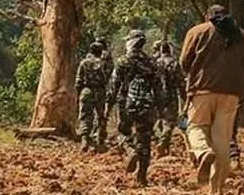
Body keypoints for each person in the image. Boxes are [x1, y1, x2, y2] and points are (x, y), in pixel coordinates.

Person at [180, 5, 244, 195]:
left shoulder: (197, 31)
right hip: (231, 94)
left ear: (208, 17)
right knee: (222, 140)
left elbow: (184, 62)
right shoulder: (241, 35)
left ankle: (203, 152)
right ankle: (217, 190)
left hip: (202, 90)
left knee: (195, 128)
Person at [106, 29, 163, 186]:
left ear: (130, 42)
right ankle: (142, 177)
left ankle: (131, 150)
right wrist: (161, 109)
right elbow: (158, 88)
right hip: (147, 105)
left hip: (127, 105)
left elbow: (113, 86)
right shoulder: (151, 63)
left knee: (123, 133)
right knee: (145, 140)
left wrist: (108, 106)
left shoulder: (123, 61)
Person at [153, 40, 186, 157]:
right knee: (170, 122)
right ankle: (163, 142)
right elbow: (181, 83)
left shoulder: (155, 63)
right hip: (171, 95)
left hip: (157, 95)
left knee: (159, 120)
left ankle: (163, 146)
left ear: (161, 50)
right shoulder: (174, 63)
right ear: (170, 50)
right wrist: (184, 97)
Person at [75, 41, 109, 152]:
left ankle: (84, 139)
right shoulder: (103, 63)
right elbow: (105, 79)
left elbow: (78, 80)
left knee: (85, 116)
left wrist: (79, 93)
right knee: (100, 116)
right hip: (100, 91)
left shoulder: (84, 63)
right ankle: (100, 138)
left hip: (87, 91)